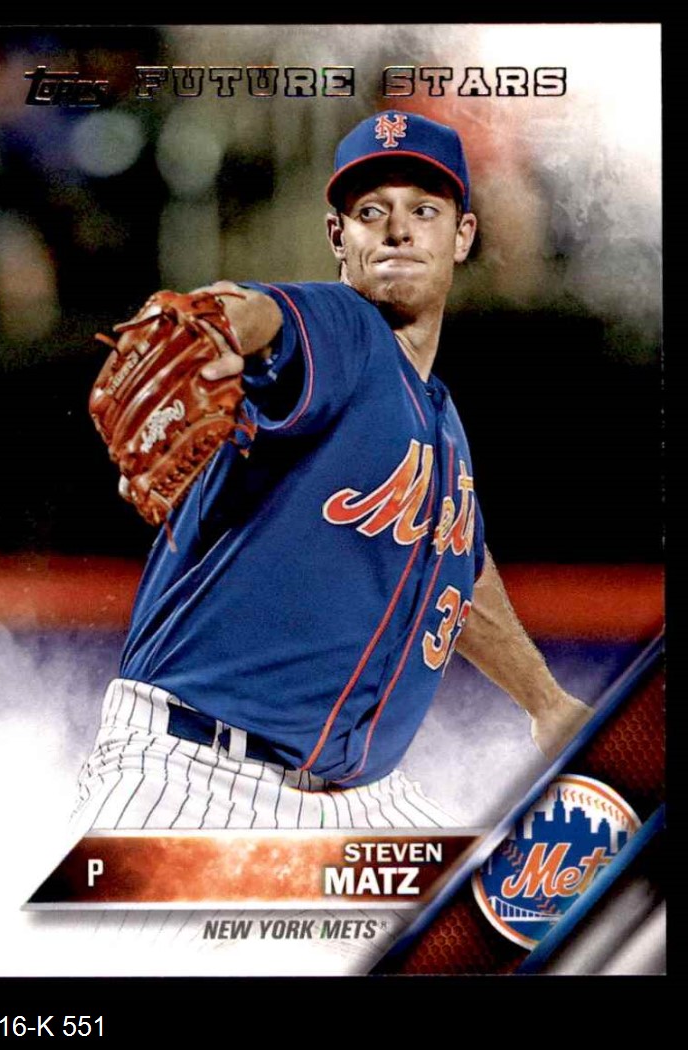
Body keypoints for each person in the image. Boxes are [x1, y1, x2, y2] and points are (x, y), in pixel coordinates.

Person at [71, 110, 592, 838]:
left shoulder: (441, 424)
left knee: (531, 898)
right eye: (370, 212)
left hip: (358, 801)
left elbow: (456, 568)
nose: (398, 230)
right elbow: (261, 314)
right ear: (337, 237)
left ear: (462, 236)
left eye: (424, 210)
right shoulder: (343, 329)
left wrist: (545, 701)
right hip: (196, 776)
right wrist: (220, 324)